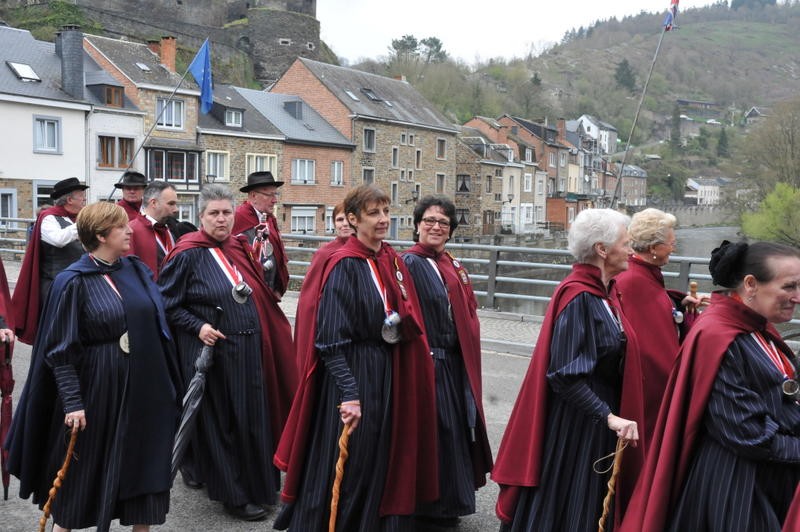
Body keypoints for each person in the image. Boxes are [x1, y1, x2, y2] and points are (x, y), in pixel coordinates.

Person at [5, 202, 179, 532]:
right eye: (121, 227)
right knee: (80, 476)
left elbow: (157, 322)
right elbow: (60, 350)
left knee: (143, 471)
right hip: (97, 389)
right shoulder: (72, 282)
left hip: (142, 387)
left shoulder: (135, 270)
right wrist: (73, 402)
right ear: (101, 235)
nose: (129, 231)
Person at [273, 184, 438, 531]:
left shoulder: (388, 259)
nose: (383, 219)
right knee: (349, 465)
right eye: (374, 213)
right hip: (354, 372)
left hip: (385, 369)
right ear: (353, 219)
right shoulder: (344, 265)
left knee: (377, 460)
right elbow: (329, 339)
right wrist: (350, 393)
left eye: (386, 211)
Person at [620, 241, 800, 531]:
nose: (797, 297)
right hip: (738, 492)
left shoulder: (753, 327)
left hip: (766, 481)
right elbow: (747, 433)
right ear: (751, 284)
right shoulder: (719, 336)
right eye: (789, 287)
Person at [493, 208, 644, 532]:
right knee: (570, 506)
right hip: (578, 424)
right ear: (602, 249)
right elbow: (563, 375)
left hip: (594, 417)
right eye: (625, 243)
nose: (631, 251)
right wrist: (609, 417)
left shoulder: (603, 293)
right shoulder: (580, 297)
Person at [158, 184, 297, 521]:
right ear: (201, 216)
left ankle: (259, 487)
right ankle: (233, 495)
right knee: (222, 425)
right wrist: (198, 326)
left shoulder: (237, 246)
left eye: (226, 213)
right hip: (213, 353)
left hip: (248, 349)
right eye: (214, 213)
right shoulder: (187, 253)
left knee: (253, 421)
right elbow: (166, 304)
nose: (221, 219)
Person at [401, 194, 493, 527]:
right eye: (429, 221)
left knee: (455, 433)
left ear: (451, 230)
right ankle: (428, 507)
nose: (436, 227)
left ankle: (449, 503)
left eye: (443, 222)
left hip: (452, 363)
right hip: (428, 361)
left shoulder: (449, 263)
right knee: (434, 433)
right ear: (417, 225)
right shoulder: (409, 263)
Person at [615, 208, 706, 446]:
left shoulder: (642, 274)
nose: (673, 249)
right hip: (650, 388)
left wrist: (678, 303)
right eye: (671, 244)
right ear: (654, 248)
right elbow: (648, 345)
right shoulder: (634, 280)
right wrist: (678, 380)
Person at [12, 177, 87, 344]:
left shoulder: (74, 218)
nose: (84, 199)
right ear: (69, 200)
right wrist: (83, 223)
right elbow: (58, 239)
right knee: (56, 332)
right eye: (81, 196)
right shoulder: (49, 218)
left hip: (77, 282)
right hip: (55, 285)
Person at [291, 202, 353, 373]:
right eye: (340, 220)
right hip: (331, 324)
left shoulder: (368, 250)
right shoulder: (324, 253)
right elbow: (309, 300)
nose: (345, 224)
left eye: (349, 219)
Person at [232, 171, 289, 297]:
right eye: (270, 195)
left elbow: (277, 254)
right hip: (249, 292)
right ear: (253, 196)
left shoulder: (269, 219)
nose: (275, 200)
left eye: (275, 194)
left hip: (270, 291)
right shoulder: (237, 219)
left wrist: (277, 287)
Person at [126, 181, 179, 279]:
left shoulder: (173, 228)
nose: (176, 209)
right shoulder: (131, 230)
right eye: (171, 204)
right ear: (154, 203)